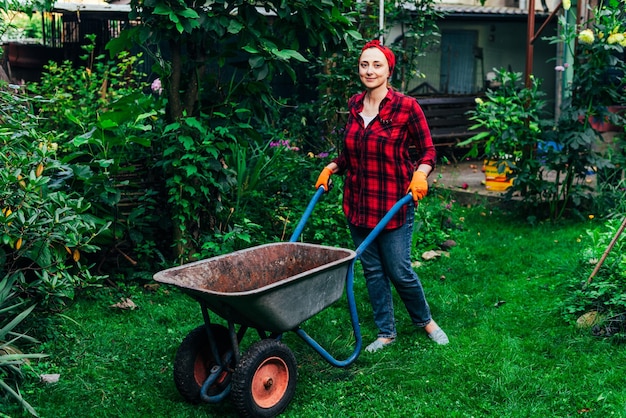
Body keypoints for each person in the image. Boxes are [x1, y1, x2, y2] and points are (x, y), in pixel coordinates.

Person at [315, 39, 448, 353]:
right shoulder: (354, 105)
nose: (369, 70)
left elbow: (428, 151)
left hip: (392, 204)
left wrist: (420, 174)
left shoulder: (406, 107)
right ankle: (386, 333)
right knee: (372, 270)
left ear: (389, 70)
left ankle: (425, 321)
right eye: (364, 64)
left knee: (399, 269)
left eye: (377, 64)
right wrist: (332, 167)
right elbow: (351, 153)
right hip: (358, 204)